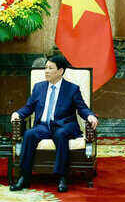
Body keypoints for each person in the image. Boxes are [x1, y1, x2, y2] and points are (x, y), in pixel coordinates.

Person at [10, 55, 97, 193]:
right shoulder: (39, 87)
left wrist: (90, 115)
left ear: (60, 71)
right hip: (43, 126)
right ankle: (24, 177)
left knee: (61, 134)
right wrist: (18, 114)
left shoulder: (72, 89)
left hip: (64, 125)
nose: (46, 71)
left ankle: (62, 177)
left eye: (50, 68)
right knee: (29, 134)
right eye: (46, 68)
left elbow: (82, 108)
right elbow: (29, 107)